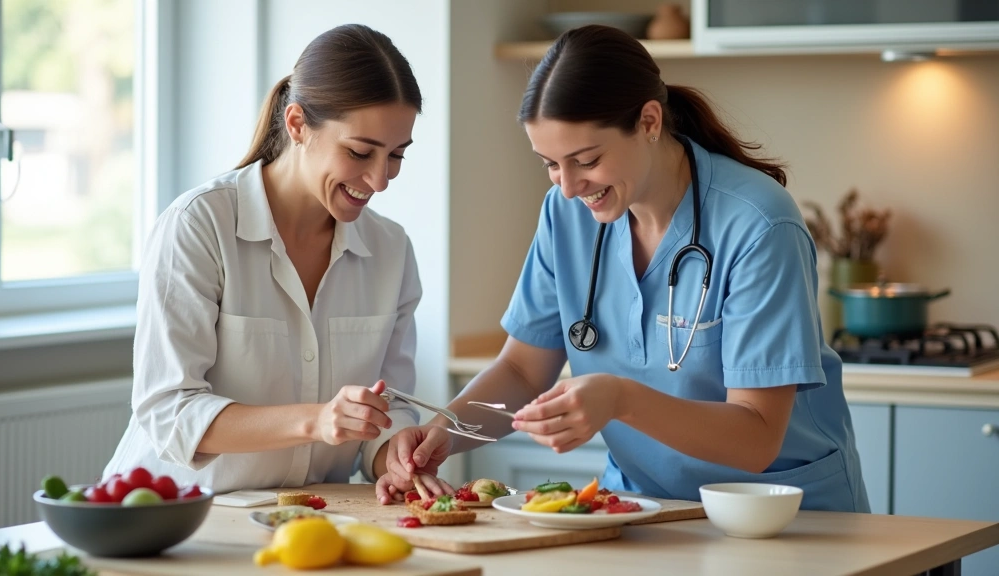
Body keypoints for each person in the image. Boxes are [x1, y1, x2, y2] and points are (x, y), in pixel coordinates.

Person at [377, 25, 870, 513]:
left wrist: (619, 398)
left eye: (586, 160)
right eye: (550, 163)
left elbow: (756, 437)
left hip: (780, 516)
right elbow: (522, 370)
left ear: (650, 122)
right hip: (641, 507)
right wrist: (444, 430)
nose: (568, 186)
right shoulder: (565, 214)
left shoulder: (759, 225)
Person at [104, 24, 429, 494]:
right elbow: (169, 410)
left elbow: (390, 410)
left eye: (397, 155)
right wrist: (316, 420)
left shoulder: (391, 250)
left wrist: (393, 454)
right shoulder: (200, 225)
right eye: (360, 152)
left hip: (311, 523)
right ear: (297, 124)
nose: (380, 180)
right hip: (177, 523)